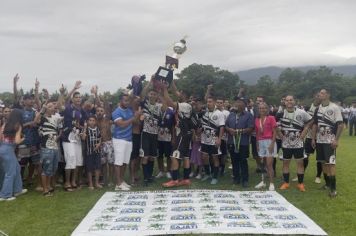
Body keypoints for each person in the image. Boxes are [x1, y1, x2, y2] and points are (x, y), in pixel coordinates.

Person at [162, 82, 198, 187]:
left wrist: (164, 89)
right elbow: (174, 91)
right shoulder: (186, 105)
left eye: (180, 93)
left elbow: (169, 103)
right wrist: (171, 81)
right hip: (186, 134)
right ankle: (186, 179)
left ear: (184, 96)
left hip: (182, 134)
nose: (177, 94)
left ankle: (174, 179)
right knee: (186, 157)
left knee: (174, 156)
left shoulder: (185, 105)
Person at [277, 95, 313, 192]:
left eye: (291, 100)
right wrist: (280, 135)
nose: (289, 102)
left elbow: (311, 120)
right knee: (285, 163)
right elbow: (276, 126)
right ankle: (286, 183)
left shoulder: (301, 112)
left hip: (298, 142)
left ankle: (300, 184)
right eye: (287, 100)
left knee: (300, 163)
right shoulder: (280, 113)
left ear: (294, 101)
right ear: (284, 102)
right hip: (286, 143)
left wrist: (305, 131)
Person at [312, 89, 343, 198]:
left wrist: (336, 140)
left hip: (330, 141)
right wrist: (313, 138)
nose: (321, 94)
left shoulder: (334, 107)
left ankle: (333, 189)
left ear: (328, 95)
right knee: (322, 162)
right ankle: (327, 184)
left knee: (331, 163)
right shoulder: (318, 108)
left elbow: (340, 125)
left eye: (323, 93)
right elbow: (315, 124)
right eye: (320, 93)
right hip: (320, 140)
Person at [112, 93, 141, 191]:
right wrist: (134, 117)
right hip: (119, 139)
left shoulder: (129, 110)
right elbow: (121, 124)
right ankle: (118, 184)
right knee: (118, 163)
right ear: (120, 101)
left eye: (128, 100)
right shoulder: (116, 112)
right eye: (125, 100)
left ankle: (122, 181)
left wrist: (138, 115)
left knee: (124, 162)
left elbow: (135, 120)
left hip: (129, 139)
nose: (127, 102)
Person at [139, 78, 165, 186]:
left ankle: (149, 176)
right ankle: (145, 178)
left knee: (151, 157)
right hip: (145, 133)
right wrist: (150, 81)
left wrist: (160, 93)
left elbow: (166, 105)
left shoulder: (159, 106)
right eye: (150, 94)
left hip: (155, 134)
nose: (152, 95)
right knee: (145, 156)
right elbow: (143, 93)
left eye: (154, 94)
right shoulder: (145, 103)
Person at [61, 81, 85, 191]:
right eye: (76, 97)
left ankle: (74, 181)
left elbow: (84, 124)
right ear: (73, 99)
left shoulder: (82, 110)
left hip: (77, 138)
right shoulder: (68, 108)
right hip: (67, 138)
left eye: (80, 97)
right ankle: (67, 183)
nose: (78, 99)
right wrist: (74, 88)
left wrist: (83, 132)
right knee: (70, 159)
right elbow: (65, 99)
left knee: (78, 161)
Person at [225, 97, 254, 187]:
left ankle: (245, 180)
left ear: (244, 105)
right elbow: (226, 125)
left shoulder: (248, 115)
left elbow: (251, 128)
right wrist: (229, 129)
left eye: (240, 102)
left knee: (243, 161)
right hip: (231, 142)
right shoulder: (231, 114)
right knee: (234, 161)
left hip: (243, 142)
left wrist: (240, 131)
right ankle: (236, 178)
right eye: (236, 102)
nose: (237, 104)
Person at [36, 101, 62, 196]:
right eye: (50, 106)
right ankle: (45, 190)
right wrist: (42, 109)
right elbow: (36, 121)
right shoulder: (43, 118)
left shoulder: (55, 118)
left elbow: (60, 104)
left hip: (54, 146)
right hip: (46, 147)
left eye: (53, 106)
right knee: (46, 168)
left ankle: (48, 186)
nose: (52, 107)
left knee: (52, 168)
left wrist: (62, 93)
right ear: (46, 108)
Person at [0, 109, 27, 201]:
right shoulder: (17, 125)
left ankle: (17, 189)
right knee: (10, 173)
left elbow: (0, 137)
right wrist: (23, 139)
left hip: (2, 148)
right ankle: (5, 195)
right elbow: (17, 141)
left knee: (16, 168)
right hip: (9, 150)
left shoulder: (5, 124)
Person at [200, 95, 225, 185]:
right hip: (204, 139)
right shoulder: (205, 113)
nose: (208, 103)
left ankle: (215, 177)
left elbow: (222, 127)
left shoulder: (219, 113)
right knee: (204, 157)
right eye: (207, 102)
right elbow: (202, 125)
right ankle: (207, 174)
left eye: (210, 102)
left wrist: (219, 139)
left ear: (214, 102)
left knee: (215, 158)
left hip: (214, 139)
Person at [254, 102, 277, 191]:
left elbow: (275, 131)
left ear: (267, 109)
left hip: (269, 141)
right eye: (260, 108)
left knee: (269, 164)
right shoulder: (256, 120)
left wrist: (272, 143)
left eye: (263, 108)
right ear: (258, 110)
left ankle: (271, 183)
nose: (262, 110)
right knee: (262, 164)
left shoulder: (271, 118)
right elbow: (257, 133)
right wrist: (257, 144)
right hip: (260, 142)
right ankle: (262, 181)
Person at [304, 93, 322, 184]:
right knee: (305, 155)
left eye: (320, 95)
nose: (319, 97)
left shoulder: (323, 109)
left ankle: (318, 176)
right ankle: (301, 173)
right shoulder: (307, 108)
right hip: (309, 136)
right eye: (317, 95)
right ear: (314, 96)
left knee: (320, 158)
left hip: (320, 137)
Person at [81, 115, 102, 190]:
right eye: (90, 120)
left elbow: (100, 138)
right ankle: (90, 183)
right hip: (89, 152)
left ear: (95, 121)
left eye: (93, 120)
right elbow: (83, 138)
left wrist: (99, 144)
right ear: (87, 121)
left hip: (97, 151)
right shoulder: (86, 129)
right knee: (89, 168)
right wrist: (85, 127)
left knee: (97, 167)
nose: (92, 122)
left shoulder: (98, 129)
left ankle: (96, 182)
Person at [96, 106, 114, 186]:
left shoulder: (107, 120)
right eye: (98, 111)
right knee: (103, 163)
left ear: (104, 112)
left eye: (101, 111)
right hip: (101, 144)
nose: (99, 112)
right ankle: (104, 180)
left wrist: (97, 96)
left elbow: (108, 109)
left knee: (110, 163)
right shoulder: (95, 122)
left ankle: (110, 180)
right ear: (96, 112)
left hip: (109, 143)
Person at [155, 106, 174, 179]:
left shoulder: (171, 111)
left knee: (168, 156)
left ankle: (168, 171)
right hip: (158, 138)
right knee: (159, 156)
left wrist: (173, 138)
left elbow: (173, 126)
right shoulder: (157, 109)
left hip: (168, 138)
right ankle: (161, 171)